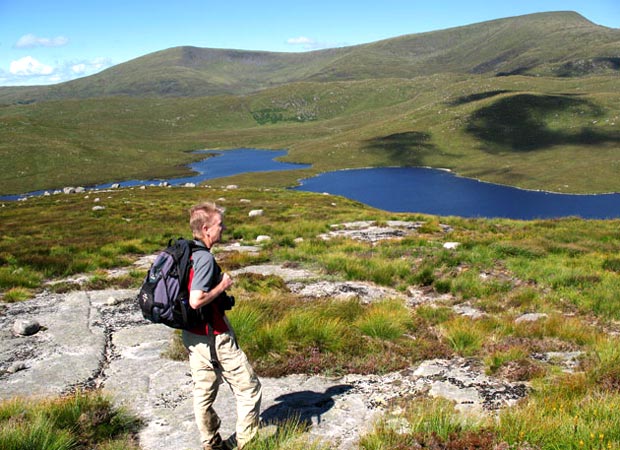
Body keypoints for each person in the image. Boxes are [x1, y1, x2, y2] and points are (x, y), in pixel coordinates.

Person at [183, 202, 262, 450]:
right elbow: (196, 300)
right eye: (219, 225)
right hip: (215, 336)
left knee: (203, 392)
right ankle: (246, 444)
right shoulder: (205, 258)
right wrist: (222, 286)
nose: (223, 228)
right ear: (206, 229)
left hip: (192, 336)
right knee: (249, 388)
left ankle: (211, 444)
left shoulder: (188, 253)